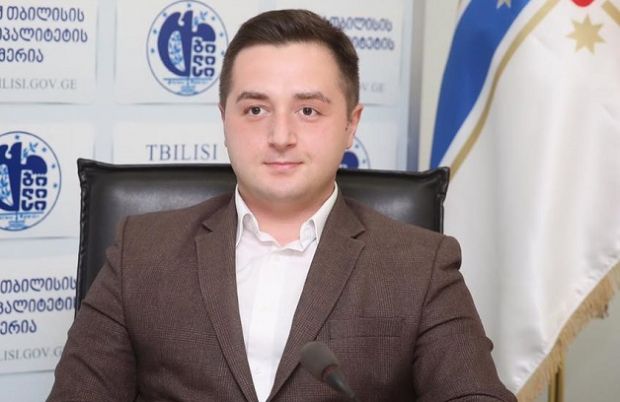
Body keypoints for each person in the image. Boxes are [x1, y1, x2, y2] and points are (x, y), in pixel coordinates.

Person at [48, 9, 516, 402]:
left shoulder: (420, 265)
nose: (280, 136)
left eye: (308, 110)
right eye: (256, 109)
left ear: (351, 125)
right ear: (224, 120)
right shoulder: (141, 252)